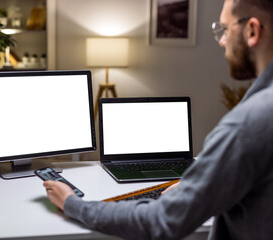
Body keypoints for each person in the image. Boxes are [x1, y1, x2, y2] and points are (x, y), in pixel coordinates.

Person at [43, 0, 273, 239]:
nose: (222, 41)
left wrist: (71, 203)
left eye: (224, 29)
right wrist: (199, 185)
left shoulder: (246, 125)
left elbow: (161, 221)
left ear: (252, 31)